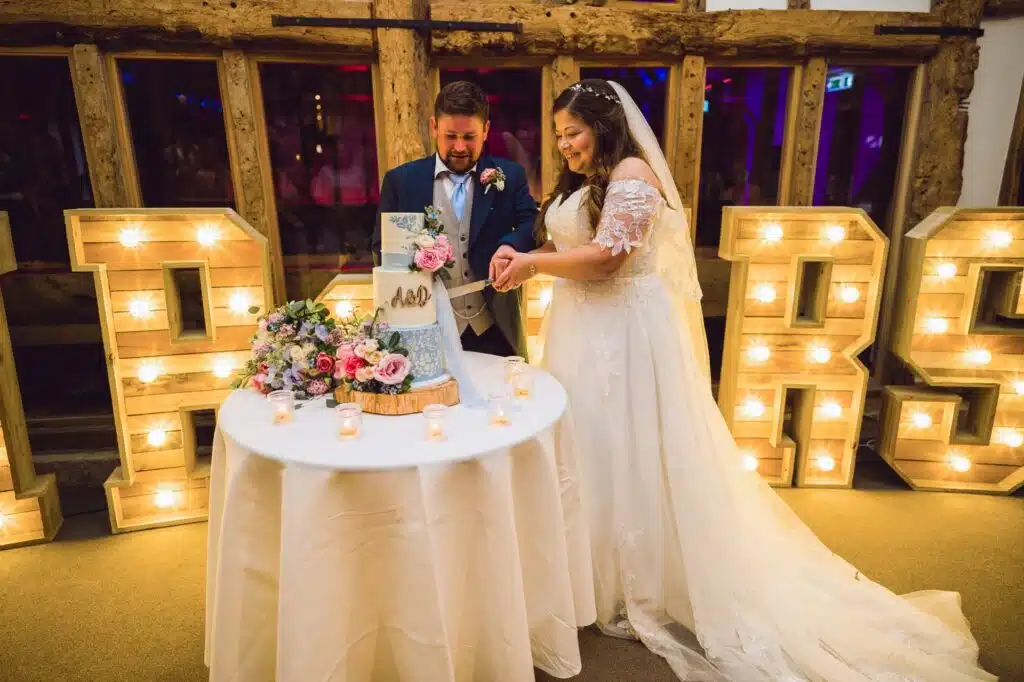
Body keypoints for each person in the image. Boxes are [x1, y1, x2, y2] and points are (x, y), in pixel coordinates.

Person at [489, 79, 997, 681]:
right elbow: (573, 240)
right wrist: (522, 256)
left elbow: (608, 259)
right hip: (583, 329)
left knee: (634, 446)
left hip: (624, 332)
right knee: (593, 447)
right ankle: (594, 579)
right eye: (559, 135)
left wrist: (534, 266)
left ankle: (644, 577)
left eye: (571, 132)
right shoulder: (591, 180)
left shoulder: (632, 174)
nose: (564, 145)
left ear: (604, 125)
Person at [372, 80, 538, 359]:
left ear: (485, 130)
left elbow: (530, 225)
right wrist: (416, 261)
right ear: (434, 126)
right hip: (427, 327)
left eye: (469, 137)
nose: (459, 147)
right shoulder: (400, 181)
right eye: (450, 136)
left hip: (495, 327)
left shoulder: (510, 176)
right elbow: (381, 247)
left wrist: (509, 246)